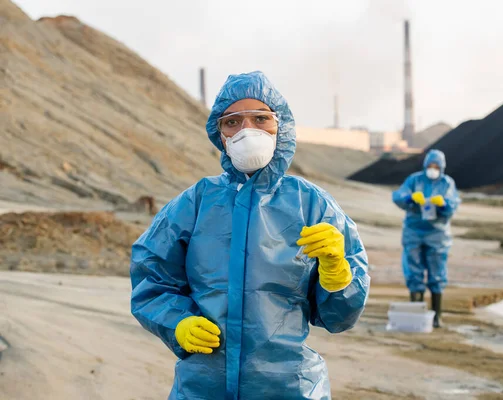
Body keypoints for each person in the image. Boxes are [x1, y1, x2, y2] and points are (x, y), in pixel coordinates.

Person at [130, 71, 370, 400]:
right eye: (233, 123)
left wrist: (336, 272)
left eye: (260, 118)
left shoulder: (312, 204)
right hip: (203, 387)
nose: (247, 131)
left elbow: (339, 317)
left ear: (280, 125)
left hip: (288, 388)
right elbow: (151, 278)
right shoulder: (197, 202)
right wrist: (177, 322)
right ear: (220, 134)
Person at [392, 149, 460, 328]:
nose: (433, 169)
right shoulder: (414, 180)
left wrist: (444, 204)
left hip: (437, 233)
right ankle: (417, 312)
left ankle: (437, 315)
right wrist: (409, 198)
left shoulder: (447, 183)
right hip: (414, 230)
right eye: (430, 165)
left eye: (436, 166)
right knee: (413, 270)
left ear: (442, 167)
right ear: (425, 165)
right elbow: (398, 195)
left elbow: (454, 203)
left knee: (437, 271)